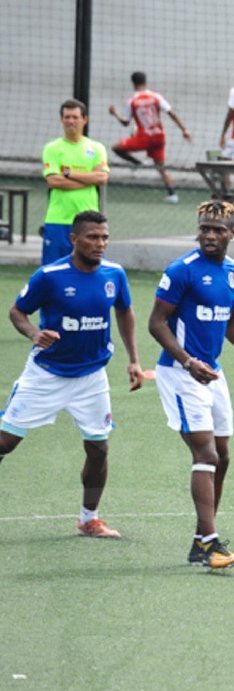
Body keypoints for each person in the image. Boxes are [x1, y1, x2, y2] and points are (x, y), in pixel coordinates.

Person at [148, 200, 234, 569]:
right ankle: (210, 544)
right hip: (180, 374)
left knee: (222, 456)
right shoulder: (182, 270)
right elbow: (156, 323)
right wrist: (187, 361)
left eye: (218, 230)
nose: (209, 235)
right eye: (204, 228)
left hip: (212, 374)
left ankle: (199, 542)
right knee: (205, 455)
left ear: (232, 234)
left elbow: (229, 323)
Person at [0, 210, 143, 538]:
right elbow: (17, 311)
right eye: (93, 237)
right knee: (5, 442)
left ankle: (89, 519)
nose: (100, 243)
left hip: (92, 377)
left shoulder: (115, 274)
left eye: (104, 237)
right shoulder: (50, 276)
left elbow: (124, 311)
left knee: (99, 449)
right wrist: (34, 334)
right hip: (46, 374)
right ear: (74, 239)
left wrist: (134, 360)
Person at [41, 99, 110, 265]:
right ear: (61, 119)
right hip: (58, 220)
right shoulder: (52, 148)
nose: (71, 121)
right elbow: (53, 180)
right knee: (53, 270)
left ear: (84, 119)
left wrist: (69, 174)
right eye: (67, 117)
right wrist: (88, 180)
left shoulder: (96, 148)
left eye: (75, 117)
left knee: (90, 269)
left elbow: (102, 178)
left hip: (88, 222)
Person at [108, 71, 192, 203]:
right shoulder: (156, 97)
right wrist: (184, 130)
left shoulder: (132, 101)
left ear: (133, 83)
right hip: (159, 137)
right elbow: (171, 113)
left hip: (144, 138)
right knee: (161, 167)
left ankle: (137, 163)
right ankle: (173, 194)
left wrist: (115, 113)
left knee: (116, 148)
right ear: (146, 82)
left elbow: (125, 123)